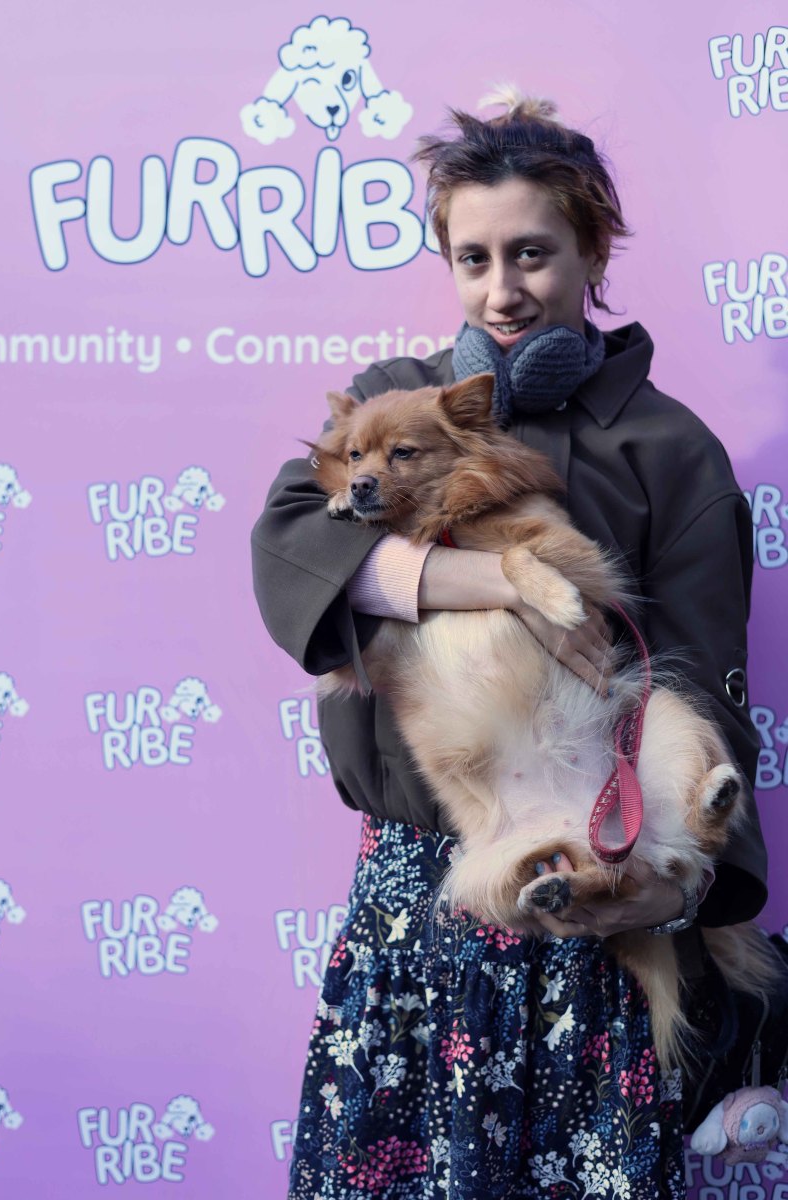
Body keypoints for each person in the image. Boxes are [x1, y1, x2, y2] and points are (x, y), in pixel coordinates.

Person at [252, 89, 767, 1200]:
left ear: (592, 252)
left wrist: (676, 894)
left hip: (594, 894)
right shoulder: (388, 405)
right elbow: (293, 542)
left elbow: (707, 694)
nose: (501, 290)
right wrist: (497, 582)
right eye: (472, 258)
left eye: (531, 253)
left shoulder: (671, 450)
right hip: (421, 903)